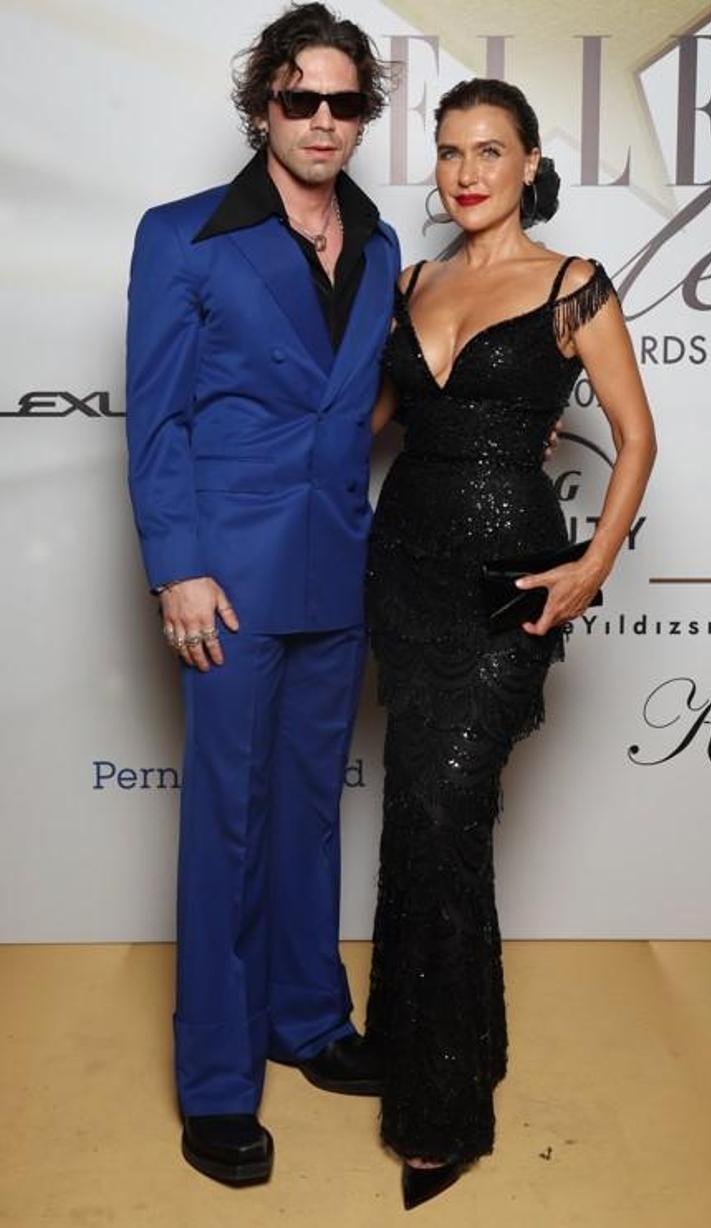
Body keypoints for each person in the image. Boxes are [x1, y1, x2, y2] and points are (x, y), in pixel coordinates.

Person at [364, 77, 657, 1209]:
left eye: (489, 150)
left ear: (530, 163)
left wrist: (591, 566)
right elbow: (362, 427)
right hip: (405, 572)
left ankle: (441, 1108)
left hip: (504, 587)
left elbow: (634, 437)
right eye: (449, 152)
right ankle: (427, 1045)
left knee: (444, 804)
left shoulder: (574, 285)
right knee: (418, 812)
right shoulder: (410, 283)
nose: (466, 172)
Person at [125, 3, 401, 1186]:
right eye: (300, 99)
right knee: (227, 821)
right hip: (226, 577)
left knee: (306, 806)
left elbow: (360, 401)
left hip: (335, 563)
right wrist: (177, 565)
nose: (322, 121)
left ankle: (307, 1017)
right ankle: (216, 1078)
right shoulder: (183, 235)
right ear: (262, 108)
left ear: (362, 114)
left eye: (344, 101)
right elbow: (156, 419)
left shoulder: (379, 242)